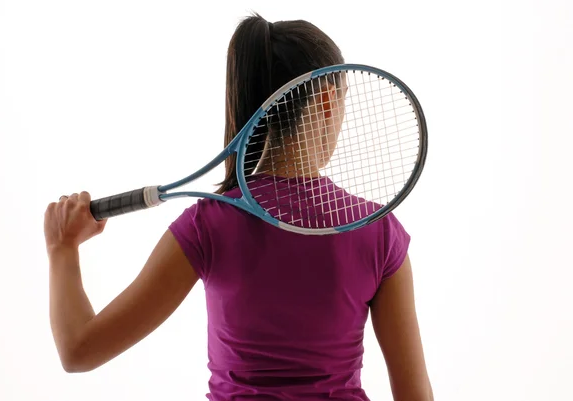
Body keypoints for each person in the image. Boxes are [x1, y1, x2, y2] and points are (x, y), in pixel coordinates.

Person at [44, 13, 434, 401]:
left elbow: (79, 351)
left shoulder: (206, 226)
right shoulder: (378, 231)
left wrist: (63, 249)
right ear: (328, 102)